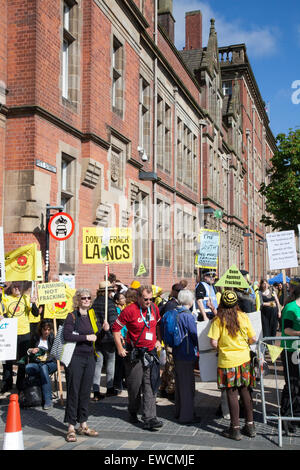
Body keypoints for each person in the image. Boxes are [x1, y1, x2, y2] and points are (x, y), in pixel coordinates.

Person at [112, 285, 163, 431]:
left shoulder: (154, 308)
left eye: (150, 299)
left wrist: (159, 339)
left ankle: (150, 418)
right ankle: (133, 410)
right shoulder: (130, 310)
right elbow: (115, 329)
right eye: (146, 299)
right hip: (135, 354)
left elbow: (158, 325)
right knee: (134, 387)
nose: (148, 302)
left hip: (151, 352)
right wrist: (120, 348)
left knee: (150, 384)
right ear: (139, 297)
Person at [207, 290, 257, 441]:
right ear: (236, 303)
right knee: (245, 391)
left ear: (222, 302)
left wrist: (222, 347)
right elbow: (253, 338)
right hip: (244, 359)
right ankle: (250, 425)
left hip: (227, 361)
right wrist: (244, 345)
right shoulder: (243, 316)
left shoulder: (218, 320)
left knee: (231, 393)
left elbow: (213, 342)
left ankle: (235, 429)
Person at [63, 288, 109, 442]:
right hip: (75, 358)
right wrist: (85, 337)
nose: (87, 300)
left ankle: (83, 423)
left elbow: (95, 337)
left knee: (85, 392)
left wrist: (103, 330)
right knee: (73, 391)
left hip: (90, 357)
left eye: (89, 298)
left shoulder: (91, 315)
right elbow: (67, 335)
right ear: (78, 300)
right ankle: (70, 426)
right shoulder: (72, 316)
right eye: (84, 298)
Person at [1, 281, 40, 393]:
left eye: (19, 286)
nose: (17, 288)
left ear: (22, 288)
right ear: (11, 288)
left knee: (22, 359)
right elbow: (2, 311)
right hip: (10, 332)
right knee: (8, 360)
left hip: (24, 332)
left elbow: (36, 314)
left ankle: (20, 383)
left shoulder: (26, 298)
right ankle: (7, 382)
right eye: (14, 286)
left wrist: (33, 303)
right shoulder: (6, 299)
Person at [170, 289, 200, 424]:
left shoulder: (174, 312)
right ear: (190, 300)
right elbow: (194, 334)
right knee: (187, 386)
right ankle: (186, 415)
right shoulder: (187, 315)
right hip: (186, 352)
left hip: (177, 352)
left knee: (180, 385)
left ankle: (179, 411)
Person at [92, 281, 119, 400]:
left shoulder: (94, 303)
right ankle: (110, 388)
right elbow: (114, 322)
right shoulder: (110, 304)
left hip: (96, 338)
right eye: (111, 291)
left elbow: (92, 320)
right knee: (110, 362)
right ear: (107, 292)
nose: (113, 293)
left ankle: (96, 390)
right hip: (108, 338)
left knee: (98, 364)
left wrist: (97, 331)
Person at [158, 283, 184, 400]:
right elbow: (169, 325)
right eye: (178, 291)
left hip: (171, 339)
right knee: (171, 366)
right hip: (171, 340)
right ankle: (170, 390)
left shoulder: (174, 303)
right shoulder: (171, 305)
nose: (179, 293)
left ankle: (163, 387)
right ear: (173, 291)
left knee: (169, 365)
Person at [280, 284, 300, 431]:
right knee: (292, 384)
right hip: (291, 350)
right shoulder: (291, 307)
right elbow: (286, 329)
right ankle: (286, 417)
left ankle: (297, 416)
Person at [25, 319, 57, 410]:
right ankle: (44, 394)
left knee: (44, 368)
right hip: (37, 363)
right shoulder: (35, 337)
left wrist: (47, 358)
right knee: (28, 367)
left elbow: (56, 354)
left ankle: (47, 399)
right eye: (44, 329)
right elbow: (28, 350)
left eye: (48, 329)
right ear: (41, 329)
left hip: (50, 363)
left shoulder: (52, 338)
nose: (46, 331)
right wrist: (32, 350)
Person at [113, 292, 127, 392]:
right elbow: (118, 325)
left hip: (126, 337)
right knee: (120, 362)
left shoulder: (123, 310)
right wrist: (121, 336)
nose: (124, 299)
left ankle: (122, 381)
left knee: (123, 362)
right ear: (117, 301)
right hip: (120, 337)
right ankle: (118, 383)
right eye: (122, 298)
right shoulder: (117, 311)